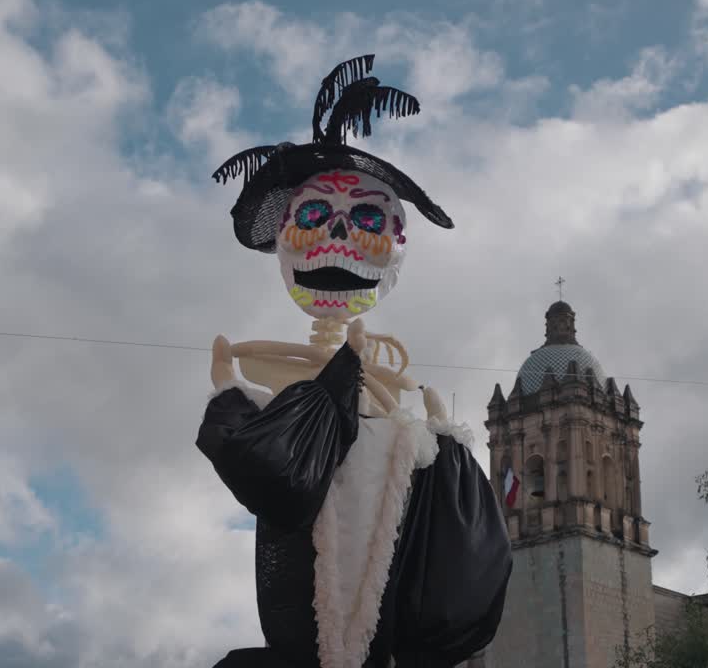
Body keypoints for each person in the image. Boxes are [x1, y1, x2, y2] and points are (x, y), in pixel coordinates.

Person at [196, 55, 512, 668]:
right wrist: (236, 391)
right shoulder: (276, 389)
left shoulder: (404, 419)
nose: (335, 239)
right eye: (314, 217)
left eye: (365, 219)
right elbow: (274, 479)